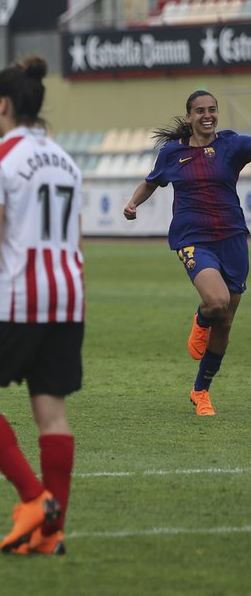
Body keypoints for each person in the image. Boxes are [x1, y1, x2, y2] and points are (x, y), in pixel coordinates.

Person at [0, 56, 83, 555]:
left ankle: (34, 500)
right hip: (67, 296)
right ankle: (52, 534)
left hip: (15, 299)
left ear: (3, 104)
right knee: (51, 412)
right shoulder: (67, 160)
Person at [124, 89, 251, 417]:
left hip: (233, 238)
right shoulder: (172, 154)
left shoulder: (232, 145)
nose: (207, 115)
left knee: (225, 323)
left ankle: (201, 391)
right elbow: (151, 182)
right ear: (189, 117)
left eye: (212, 109)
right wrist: (134, 203)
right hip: (193, 238)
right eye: (200, 111)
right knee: (216, 301)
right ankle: (200, 317)